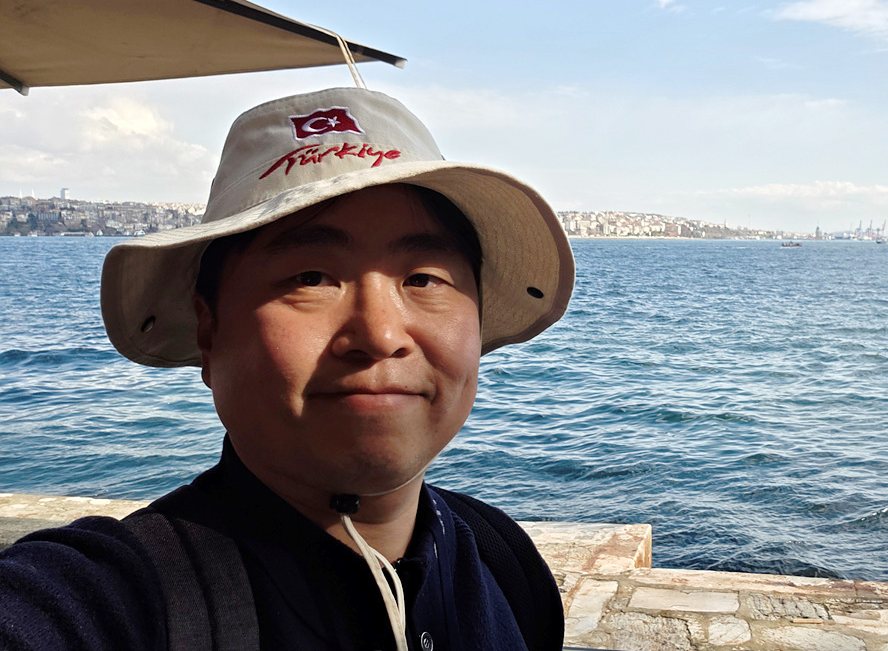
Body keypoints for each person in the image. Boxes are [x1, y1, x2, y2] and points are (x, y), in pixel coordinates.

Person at [0, 87, 574, 651]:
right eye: (311, 279)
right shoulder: (109, 600)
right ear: (209, 330)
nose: (380, 335)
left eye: (423, 279)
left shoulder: (501, 560)